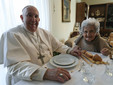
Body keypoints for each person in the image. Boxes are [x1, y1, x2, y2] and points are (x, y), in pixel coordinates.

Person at [0, 5, 81, 85]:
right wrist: (44, 73)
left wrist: (69, 50)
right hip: (24, 79)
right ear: (22, 18)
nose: (33, 19)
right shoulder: (11, 34)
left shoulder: (45, 32)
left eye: (36, 16)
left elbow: (58, 45)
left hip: (48, 72)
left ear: (39, 19)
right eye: (29, 15)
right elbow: (15, 66)